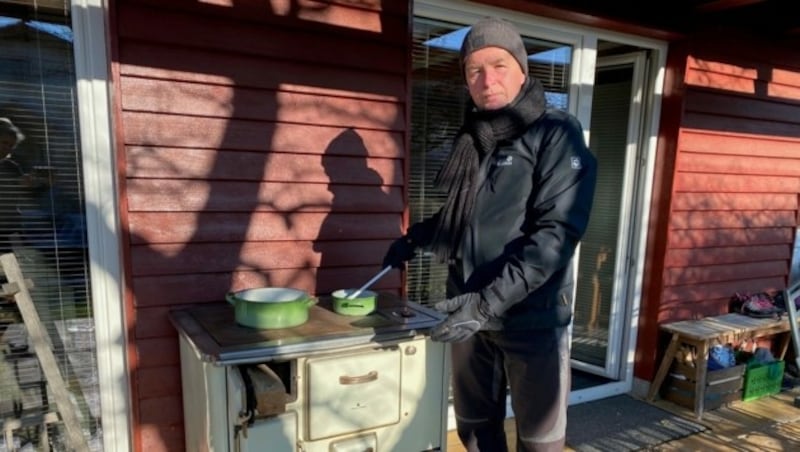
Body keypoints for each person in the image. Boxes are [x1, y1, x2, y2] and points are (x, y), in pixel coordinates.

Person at [382, 17, 597, 452]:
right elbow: (468, 215)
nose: (487, 79)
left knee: (539, 442)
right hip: (471, 313)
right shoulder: (476, 138)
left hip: (532, 321)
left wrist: (487, 303)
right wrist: (418, 237)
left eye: (498, 64)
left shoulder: (556, 133)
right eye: (474, 70)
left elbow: (555, 236)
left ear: (521, 68)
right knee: (477, 433)